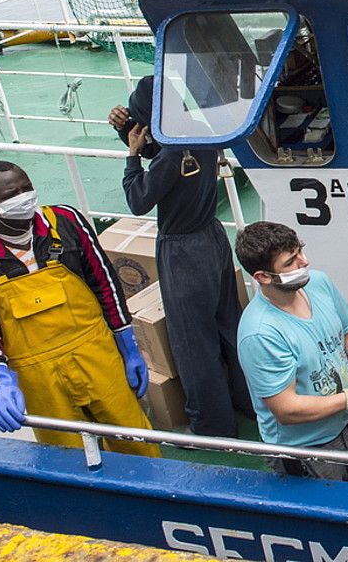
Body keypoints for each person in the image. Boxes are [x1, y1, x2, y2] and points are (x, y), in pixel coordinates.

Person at [0, 161, 160, 457]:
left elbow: (105, 282)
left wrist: (128, 346)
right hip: (39, 378)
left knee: (134, 439)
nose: (23, 198)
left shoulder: (66, 221)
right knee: (65, 456)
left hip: (96, 354)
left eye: (27, 188)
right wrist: (0, 378)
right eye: (11, 194)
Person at [108, 76, 253, 437]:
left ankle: (212, 426)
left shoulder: (170, 154)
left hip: (183, 250)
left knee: (193, 342)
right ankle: (248, 400)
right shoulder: (198, 132)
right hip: (213, 237)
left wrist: (130, 156)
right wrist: (127, 129)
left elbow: (140, 199)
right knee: (228, 324)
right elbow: (165, 160)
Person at [236, 221, 348, 481]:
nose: (304, 261)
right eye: (291, 262)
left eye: (300, 251)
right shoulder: (261, 332)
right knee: (330, 518)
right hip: (306, 450)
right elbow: (286, 409)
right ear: (263, 277)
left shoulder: (318, 284)